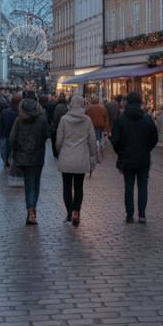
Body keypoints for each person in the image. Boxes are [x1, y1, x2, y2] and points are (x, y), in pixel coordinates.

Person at [111, 91, 158, 223]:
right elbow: (154, 137)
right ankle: (142, 214)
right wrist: (147, 148)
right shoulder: (147, 118)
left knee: (128, 186)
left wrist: (120, 152)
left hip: (126, 158)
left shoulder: (121, 119)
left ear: (127, 102)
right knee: (143, 186)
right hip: (143, 157)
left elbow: (115, 140)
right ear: (140, 102)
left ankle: (129, 214)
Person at [55, 95, 98, 227]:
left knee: (67, 187)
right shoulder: (87, 120)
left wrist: (59, 151)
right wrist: (92, 155)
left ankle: (69, 213)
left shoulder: (64, 119)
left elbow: (58, 140)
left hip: (67, 157)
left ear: (71, 104)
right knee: (79, 187)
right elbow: (92, 140)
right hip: (81, 157)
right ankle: (76, 211)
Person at [10, 97, 49, 225]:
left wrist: (15, 152)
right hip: (37, 156)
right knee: (35, 184)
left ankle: (30, 210)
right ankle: (32, 210)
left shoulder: (19, 120)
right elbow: (46, 135)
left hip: (23, 157)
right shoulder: (42, 120)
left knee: (28, 184)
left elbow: (12, 139)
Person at [0, 93, 19, 168]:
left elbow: (0, 124)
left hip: (5, 134)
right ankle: (8, 161)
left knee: (5, 149)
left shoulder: (5, 112)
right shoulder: (19, 113)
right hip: (12, 135)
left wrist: (0, 134)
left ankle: (6, 160)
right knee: (10, 149)